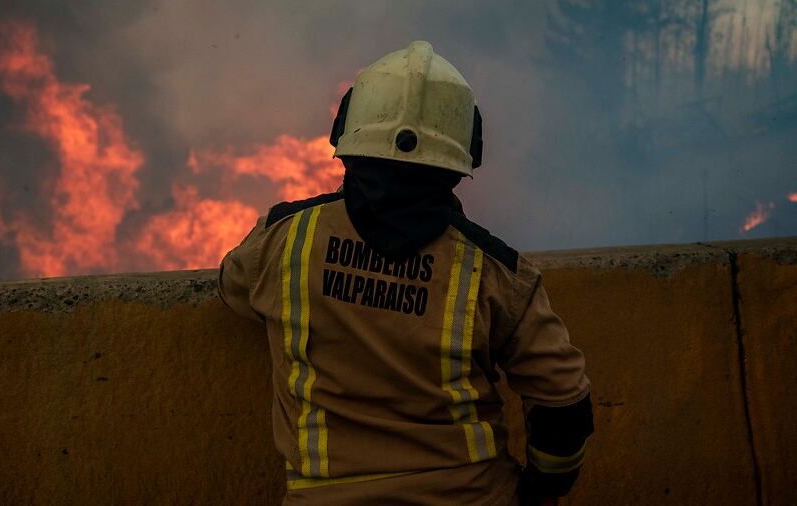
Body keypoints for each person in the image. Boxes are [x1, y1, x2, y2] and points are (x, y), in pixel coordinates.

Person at [219, 41, 593, 506]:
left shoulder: (282, 241)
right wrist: (539, 493)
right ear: (464, 154)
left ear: (346, 132)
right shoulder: (497, 274)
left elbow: (232, 290)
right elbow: (564, 407)